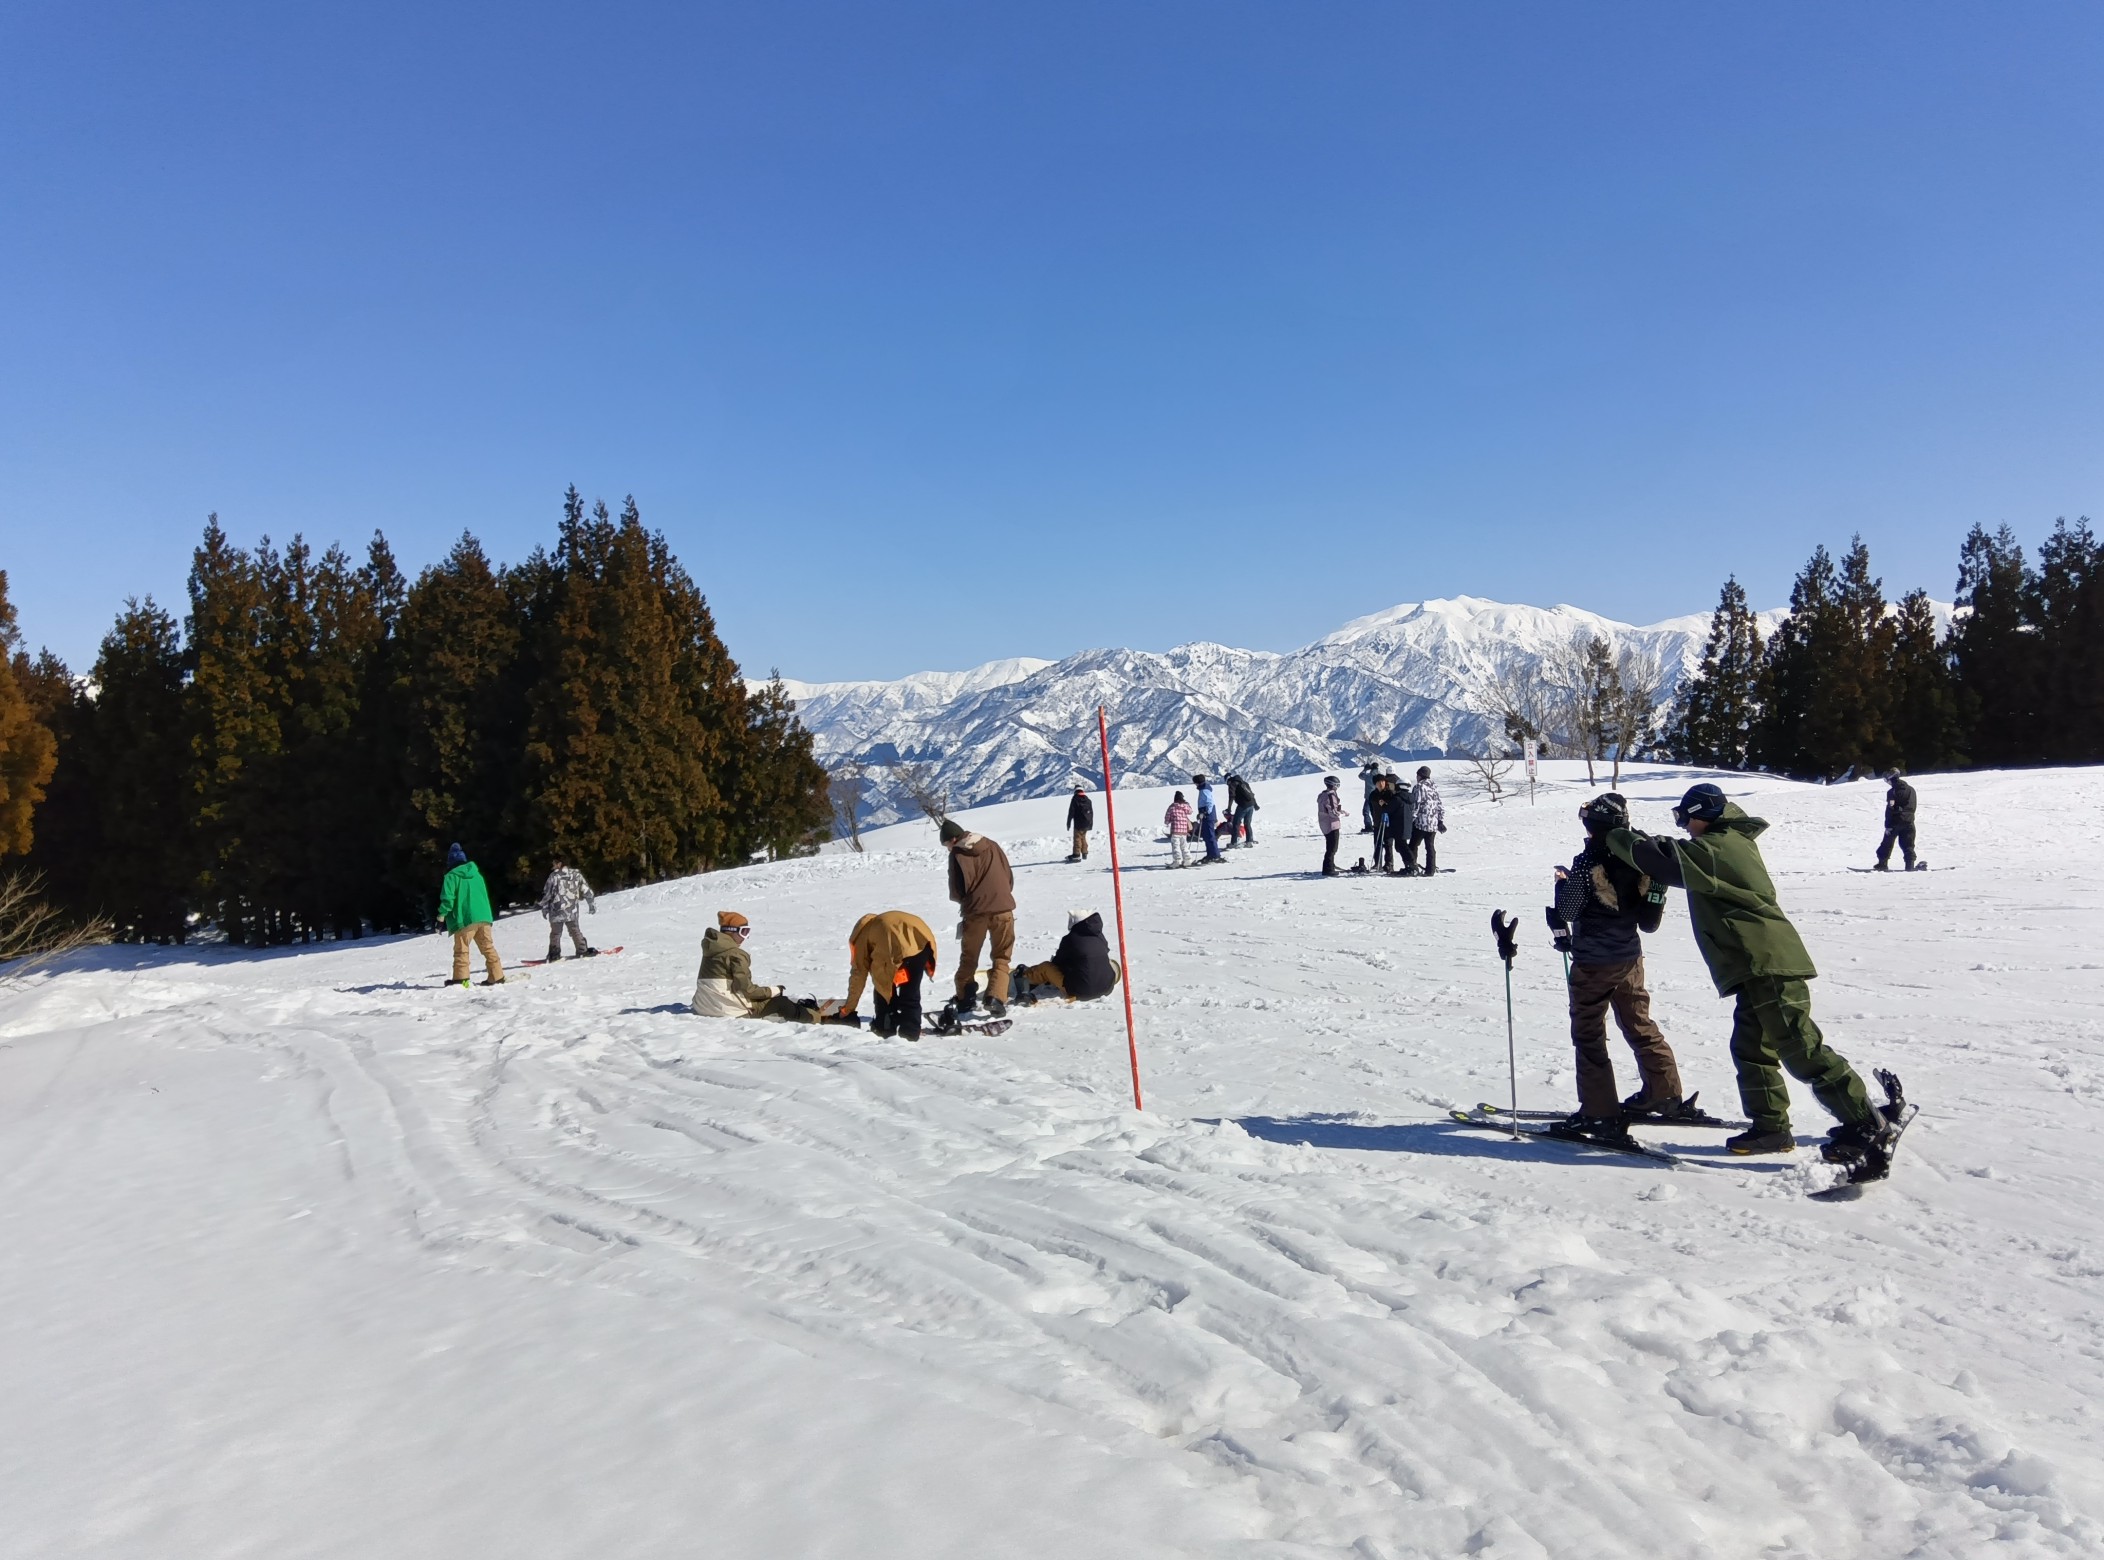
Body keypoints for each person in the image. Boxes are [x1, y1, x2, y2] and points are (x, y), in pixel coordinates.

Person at [1605, 783, 1894, 1163]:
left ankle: (1864, 1122)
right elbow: (1669, 852)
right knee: (1752, 1049)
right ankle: (1771, 1128)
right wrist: (1642, 840)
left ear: (1700, 815)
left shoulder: (1722, 847)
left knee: (1799, 1045)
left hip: (1768, 963)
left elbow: (1665, 863)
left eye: (1684, 818)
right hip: (1754, 966)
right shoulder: (1720, 844)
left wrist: (1613, 835)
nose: (1684, 827)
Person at [1546, 794, 1684, 1145]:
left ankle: (1599, 1112)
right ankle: (1664, 1092)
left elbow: (1571, 909)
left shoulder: (1590, 859)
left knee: (1589, 1032)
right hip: (1629, 956)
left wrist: (1562, 882)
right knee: (1639, 1022)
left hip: (1595, 960)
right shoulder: (1639, 853)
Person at [690, 911, 823, 1022]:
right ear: (731, 932)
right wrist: (774, 991)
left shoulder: (710, 951)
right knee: (781, 1002)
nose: (745, 937)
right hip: (728, 1011)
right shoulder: (735, 954)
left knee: (764, 998)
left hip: (703, 1007)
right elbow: (746, 990)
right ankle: (817, 1018)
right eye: (744, 932)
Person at [941, 818, 1014, 1017]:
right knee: (1002, 956)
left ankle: (965, 998)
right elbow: (1008, 875)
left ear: (953, 839)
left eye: (947, 844)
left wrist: (963, 901)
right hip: (1003, 909)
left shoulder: (957, 853)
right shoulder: (992, 845)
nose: (948, 849)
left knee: (969, 957)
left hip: (975, 912)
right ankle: (996, 997)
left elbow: (957, 888)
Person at [844, 909, 940, 1040]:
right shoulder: (880, 923)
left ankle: (885, 1028)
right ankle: (910, 1034)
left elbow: (859, 973)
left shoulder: (863, 936)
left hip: (896, 946)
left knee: (883, 988)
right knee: (910, 992)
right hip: (923, 945)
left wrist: (848, 1009)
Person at [1012, 908, 1121, 1003]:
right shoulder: (1099, 936)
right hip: (1107, 987)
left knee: (1046, 967)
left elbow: (1058, 962)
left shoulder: (1071, 939)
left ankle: (1025, 977)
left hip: (1081, 991)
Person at [437, 842, 504, 986]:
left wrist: (441, 916)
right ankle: (497, 976)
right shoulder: (477, 875)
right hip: (484, 917)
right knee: (487, 947)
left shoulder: (451, 876)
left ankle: (461, 979)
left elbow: (448, 899)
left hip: (465, 918)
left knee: (461, 949)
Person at [537, 856, 598, 961]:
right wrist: (591, 903)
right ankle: (582, 950)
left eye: (554, 863)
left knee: (556, 933)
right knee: (575, 930)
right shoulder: (576, 874)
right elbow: (586, 890)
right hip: (571, 910)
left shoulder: (554, 876)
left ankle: (554, 954)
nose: (553, 865)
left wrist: (544, 907)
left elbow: (548, 894)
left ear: (560, 864)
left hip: (556, 910)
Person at [1874, 769, 1919, 871]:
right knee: (1908, 844)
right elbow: (1912, 806)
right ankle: (1909, 866)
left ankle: (1882, 864)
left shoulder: (1891, 792)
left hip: (1895, 822)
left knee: (1887, 843)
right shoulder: (1911, 789)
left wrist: (1888, 825)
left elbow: (1890, 809)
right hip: (1909, 822)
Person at [1405, 766, 1446, 875]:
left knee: (1413, 845)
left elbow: (1416, 804)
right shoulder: (1434, 787)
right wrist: (1440, 821)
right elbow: (1439, 804)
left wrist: (1411, 819)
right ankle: (1430, 869)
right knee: (1430, 847)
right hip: (1433, 823)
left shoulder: (1419, 787)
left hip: (1421, 822)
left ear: (1419, 775)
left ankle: (1412, 867)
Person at [1370, 773, 1402, 873]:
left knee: (1388, 845)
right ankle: (1377, 863)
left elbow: (1393, 807)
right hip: (1377, 822)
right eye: (1378, 782)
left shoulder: (1390, 793)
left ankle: (1389, 864)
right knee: (1377, 844)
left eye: (1383, 781)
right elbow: (1371, 809)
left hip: (1388, 823)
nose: (1381, 784)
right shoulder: (1373, 795)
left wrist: (1385, 805)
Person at [1316, 774, 1345, 876]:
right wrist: (1341, 814)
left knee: (1330, 846)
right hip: (1332, 824)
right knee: (1332, 847)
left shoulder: (1322, 795)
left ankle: (1330, 865)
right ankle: (1328, 868)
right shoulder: (1331, 795)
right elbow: (1333, 812)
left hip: (1324, 823)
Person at [1193, 774, 1225, 862]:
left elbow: (1209, 802)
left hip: (1208, 815)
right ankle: (1210, 854)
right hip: (1205, 814)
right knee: (1206, 835)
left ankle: (1215, 855)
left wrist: (1205, 812)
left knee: (1210, 835)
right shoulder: (1203, 789)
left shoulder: (1204, 790)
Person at [1226, 773, 1260, 847]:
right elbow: (1251, 795)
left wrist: (1229, 808)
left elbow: (1231, 796)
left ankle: (1234, 842)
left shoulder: (1232, 784)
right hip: (1251, 805)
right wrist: (1255, 805)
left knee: (1236, 823)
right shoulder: (1244, 783)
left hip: (1242, 806)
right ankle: (1249, 840)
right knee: (1247, 823)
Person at [1164, 791, 1194, 867]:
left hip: (1175, 830)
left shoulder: (1172, 807)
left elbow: (1167, 816)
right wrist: (1187, 804)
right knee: (1184, 846)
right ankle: (1187, 860)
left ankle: (1177, 861)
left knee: (1176, 846)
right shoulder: (1185, 806)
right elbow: (1190, 811)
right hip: (1184, 830)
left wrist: (1167, 822)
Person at [1066, 786, 1094, 862]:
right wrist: (1090, 824)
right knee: (1083, 837)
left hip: (1078, 823)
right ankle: (1084, 853)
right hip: (1087, 822)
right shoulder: (1088, 800)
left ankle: (1076, 855)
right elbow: (1091, 813)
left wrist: (1068, 823)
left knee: (1077, 838)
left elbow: (1071, 812)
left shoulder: (1075, 799)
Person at [1358, 761, 1382, 833]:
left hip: (1368, 797)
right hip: (1378, 797)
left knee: (1366, 811)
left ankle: (1368, 827)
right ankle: (1377, 826)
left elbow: (1360, 776)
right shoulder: (1380, 776)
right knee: (1375, 812)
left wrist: (1365, 769)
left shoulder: (1368, 776)